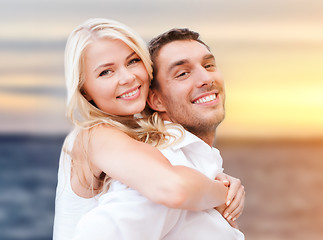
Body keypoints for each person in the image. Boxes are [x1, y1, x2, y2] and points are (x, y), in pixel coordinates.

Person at [53, 19, 244, 239]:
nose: (127, 77)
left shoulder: (141, 141)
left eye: (133, 61)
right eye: (105, 72)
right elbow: (173, 188)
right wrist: (224, 192)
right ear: (84, 90)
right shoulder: (95, 135)